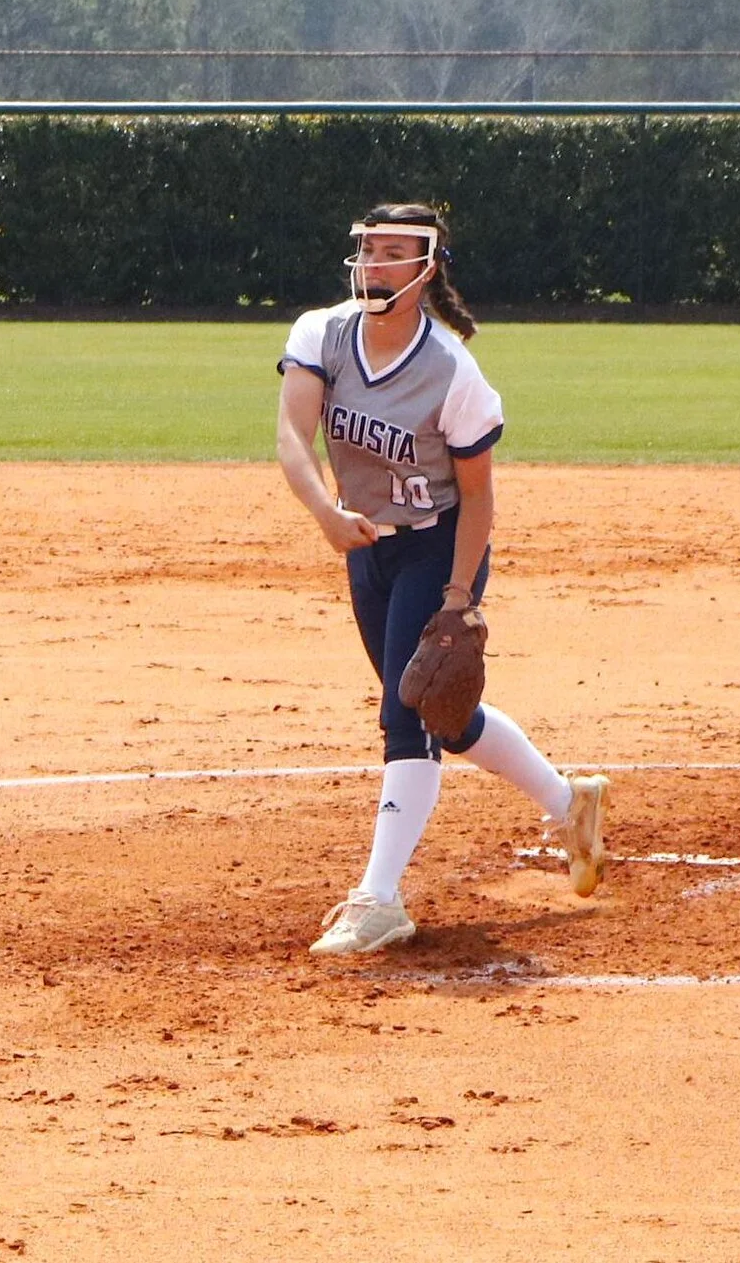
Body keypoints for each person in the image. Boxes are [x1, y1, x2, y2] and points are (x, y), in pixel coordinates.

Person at [274, 202, 608, 956]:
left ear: (426, 269)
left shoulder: (451, 369)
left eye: (395, 253)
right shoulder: (319, 333)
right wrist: (325, 511)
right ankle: (570, 803)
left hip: (439, 548)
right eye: (369, 249)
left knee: (407, 715)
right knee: (443, 716)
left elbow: (479, 494)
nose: (376, 265)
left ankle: (380, 899)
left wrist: (460, 597)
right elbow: (293, 433)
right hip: (365, 545)